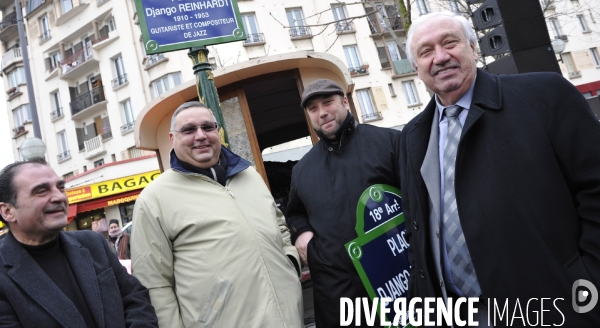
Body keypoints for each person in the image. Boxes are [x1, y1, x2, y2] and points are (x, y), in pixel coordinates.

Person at [400, 11, 600, 326]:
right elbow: (417, 228)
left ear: (473, 48)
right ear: (416, 67)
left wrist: (587, 285)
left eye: (449, 43)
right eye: (426, 51)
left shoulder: (544, 95)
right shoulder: (412, 136)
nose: (440, 57)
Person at [131, 101, 304, 328]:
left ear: (218, 133)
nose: (200, 135)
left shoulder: (249, 175)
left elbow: (279, 225)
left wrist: (290, 264)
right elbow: (153, 282)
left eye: (208, 127)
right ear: (172, 139)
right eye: (189, 130)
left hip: (288, 316)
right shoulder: (153, 199)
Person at [286, 79, 402, 327]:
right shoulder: (302, 169)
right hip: (338, 299)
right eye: (313, 109)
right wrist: (300, 233)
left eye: (327, 102)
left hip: (398, 287)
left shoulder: (390, 143)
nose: (322, 112)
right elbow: (294, 213)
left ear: (344, 102)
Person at [0, 160, 158, 327]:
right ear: (8, 211)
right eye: (41, 191)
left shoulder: (93, 243)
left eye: (60, 188)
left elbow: (135, 297)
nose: (60, 196)